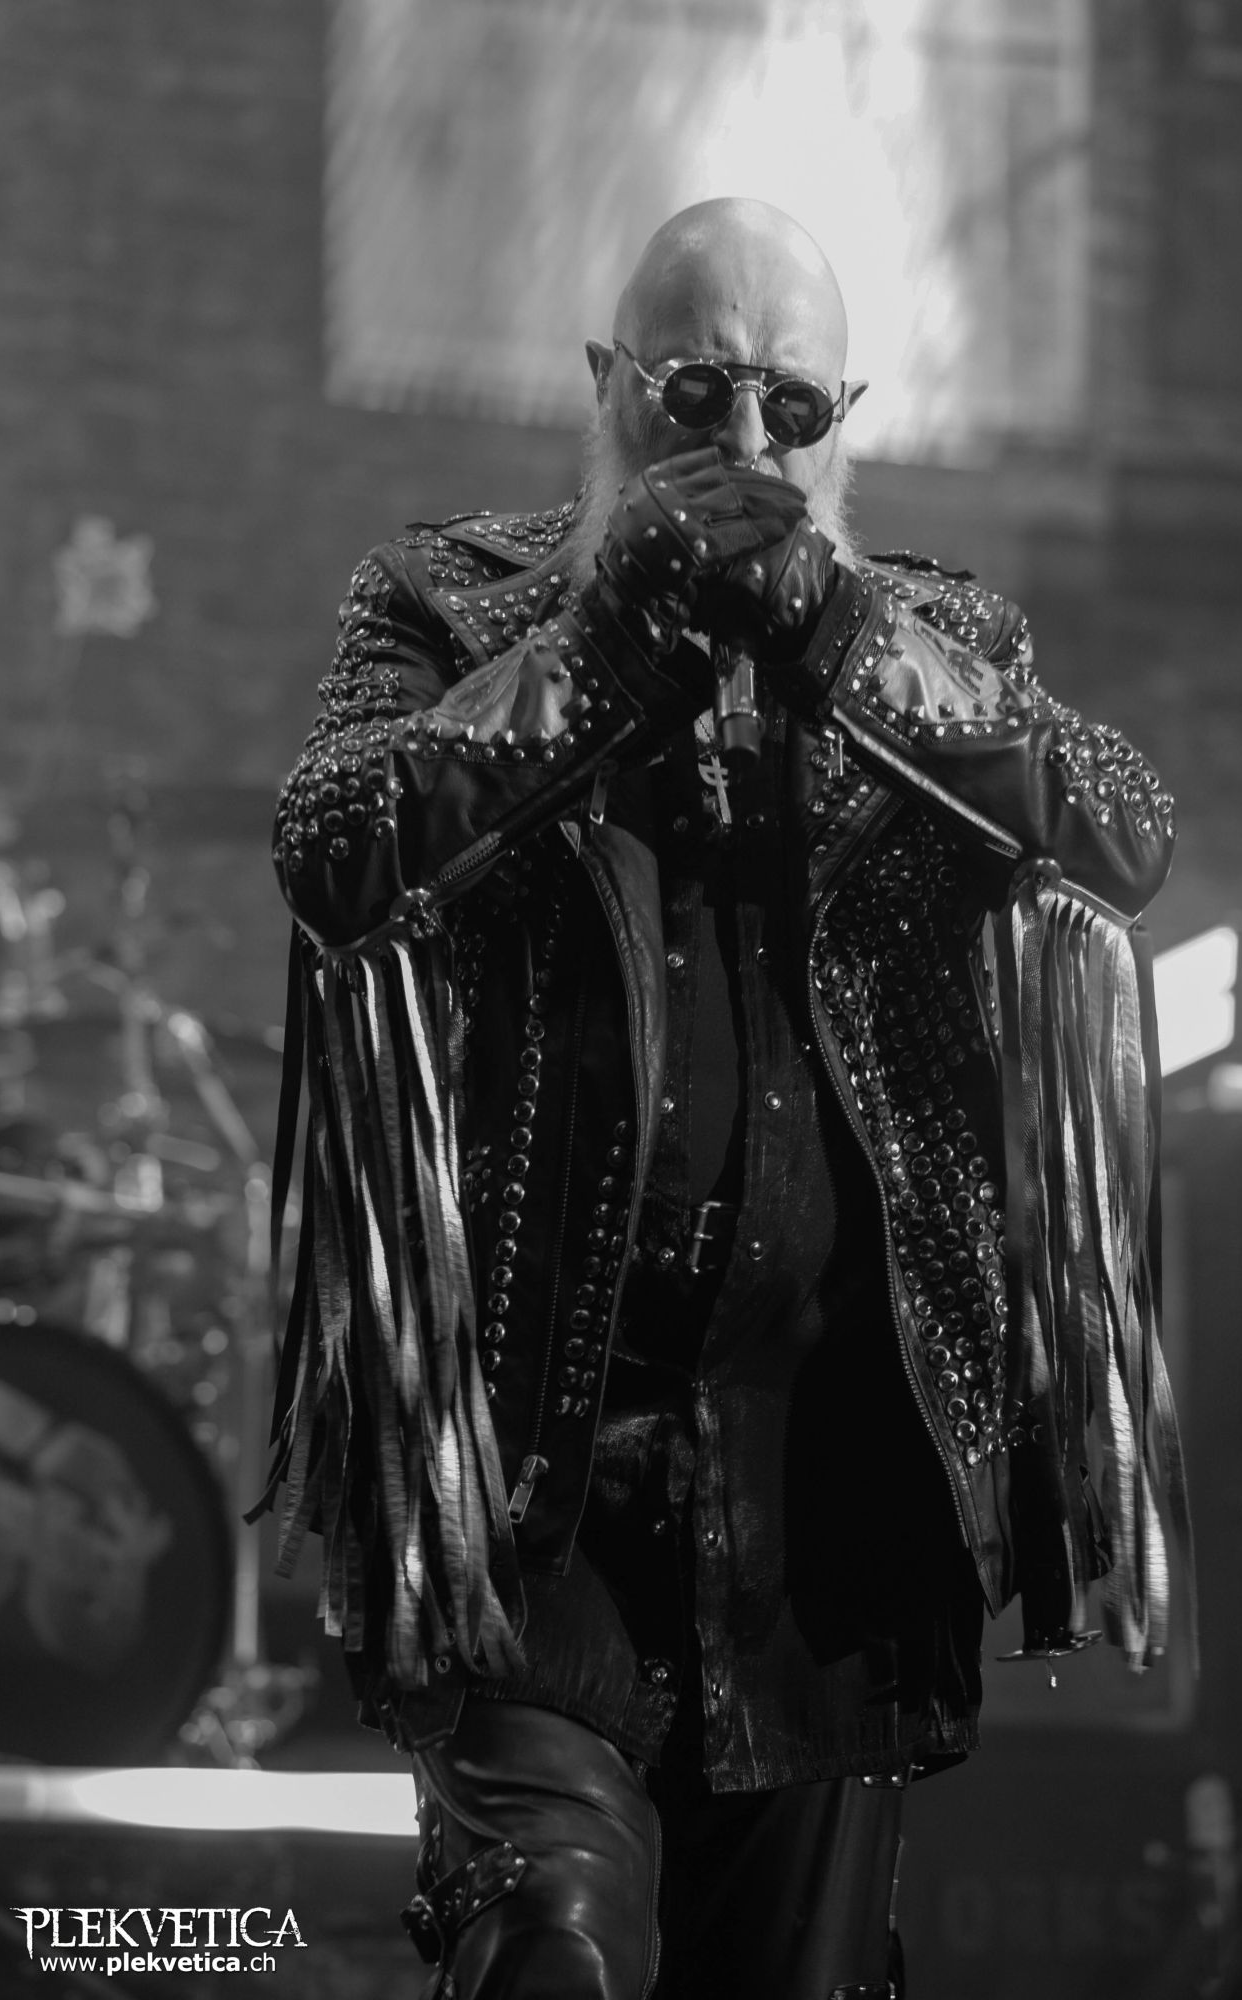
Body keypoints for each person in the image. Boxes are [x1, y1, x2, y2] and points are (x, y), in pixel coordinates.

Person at [263, 198, 1187, 1999]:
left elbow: (1123, 832)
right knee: (551, 1946)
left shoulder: (937, 637)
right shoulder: (452, 605)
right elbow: (332, 845)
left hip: (830, 1496)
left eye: (791, 405)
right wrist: (608, 645)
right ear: (607, 384)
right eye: (696, 394)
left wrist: (838, 637)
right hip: (531, 1484)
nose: (745, 444)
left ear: (846, 418)